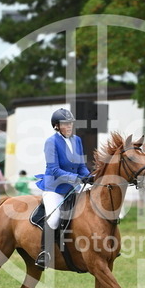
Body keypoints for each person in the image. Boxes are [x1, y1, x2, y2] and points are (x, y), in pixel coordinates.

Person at [35, 108, 91, 269]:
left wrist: (89, 176)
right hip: (55, 188)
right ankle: (44, 253)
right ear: (57, 126)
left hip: (73, 186)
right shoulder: (51, 142)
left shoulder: (77, 140)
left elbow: (81, 166)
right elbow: (54, 169)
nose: (69, 126)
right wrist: (77, 178)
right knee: (54, 218)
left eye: (70, 123)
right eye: (65, 124)